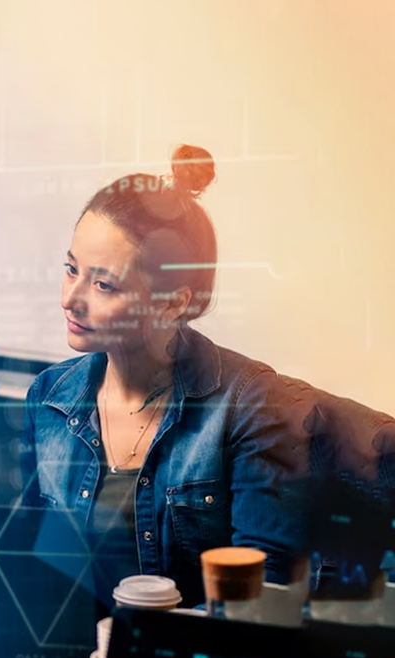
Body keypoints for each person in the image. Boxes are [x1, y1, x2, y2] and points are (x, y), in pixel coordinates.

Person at [21, 145, 307, 608]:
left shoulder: (247, 407)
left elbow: (258, 600)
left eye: (102, 284)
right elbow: (27, 571)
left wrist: (137, 648)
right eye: (70, 269)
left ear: (173, 302)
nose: (69, 299)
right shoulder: (49, 397)